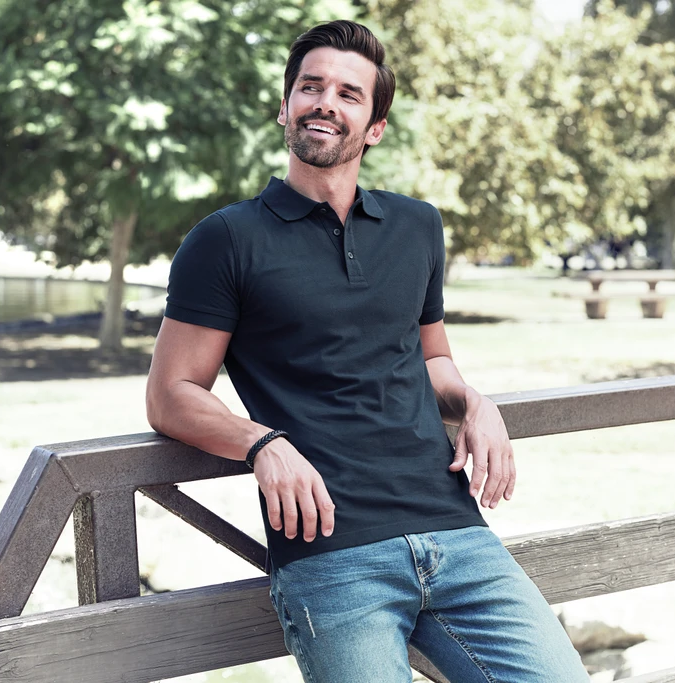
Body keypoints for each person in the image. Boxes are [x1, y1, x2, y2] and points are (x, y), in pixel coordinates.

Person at [146, 19, 588, 683]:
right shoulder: (224, 240)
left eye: (348, 94)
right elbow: (170, 394)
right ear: (285, 107)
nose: (325, 102)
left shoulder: (417, 226)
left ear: (374, 127)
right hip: (332, 553)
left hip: (456, 532)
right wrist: (262, 443)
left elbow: (432, 359)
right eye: (310, 87)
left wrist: (474, 402)